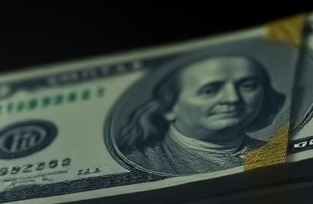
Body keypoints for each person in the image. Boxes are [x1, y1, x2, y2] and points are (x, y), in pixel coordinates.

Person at [117, 53, 286, 176]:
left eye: (247, 86)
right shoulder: (142, 163)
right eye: (210, 90)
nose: (233, 98)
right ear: (169, 108)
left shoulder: (275, 151)